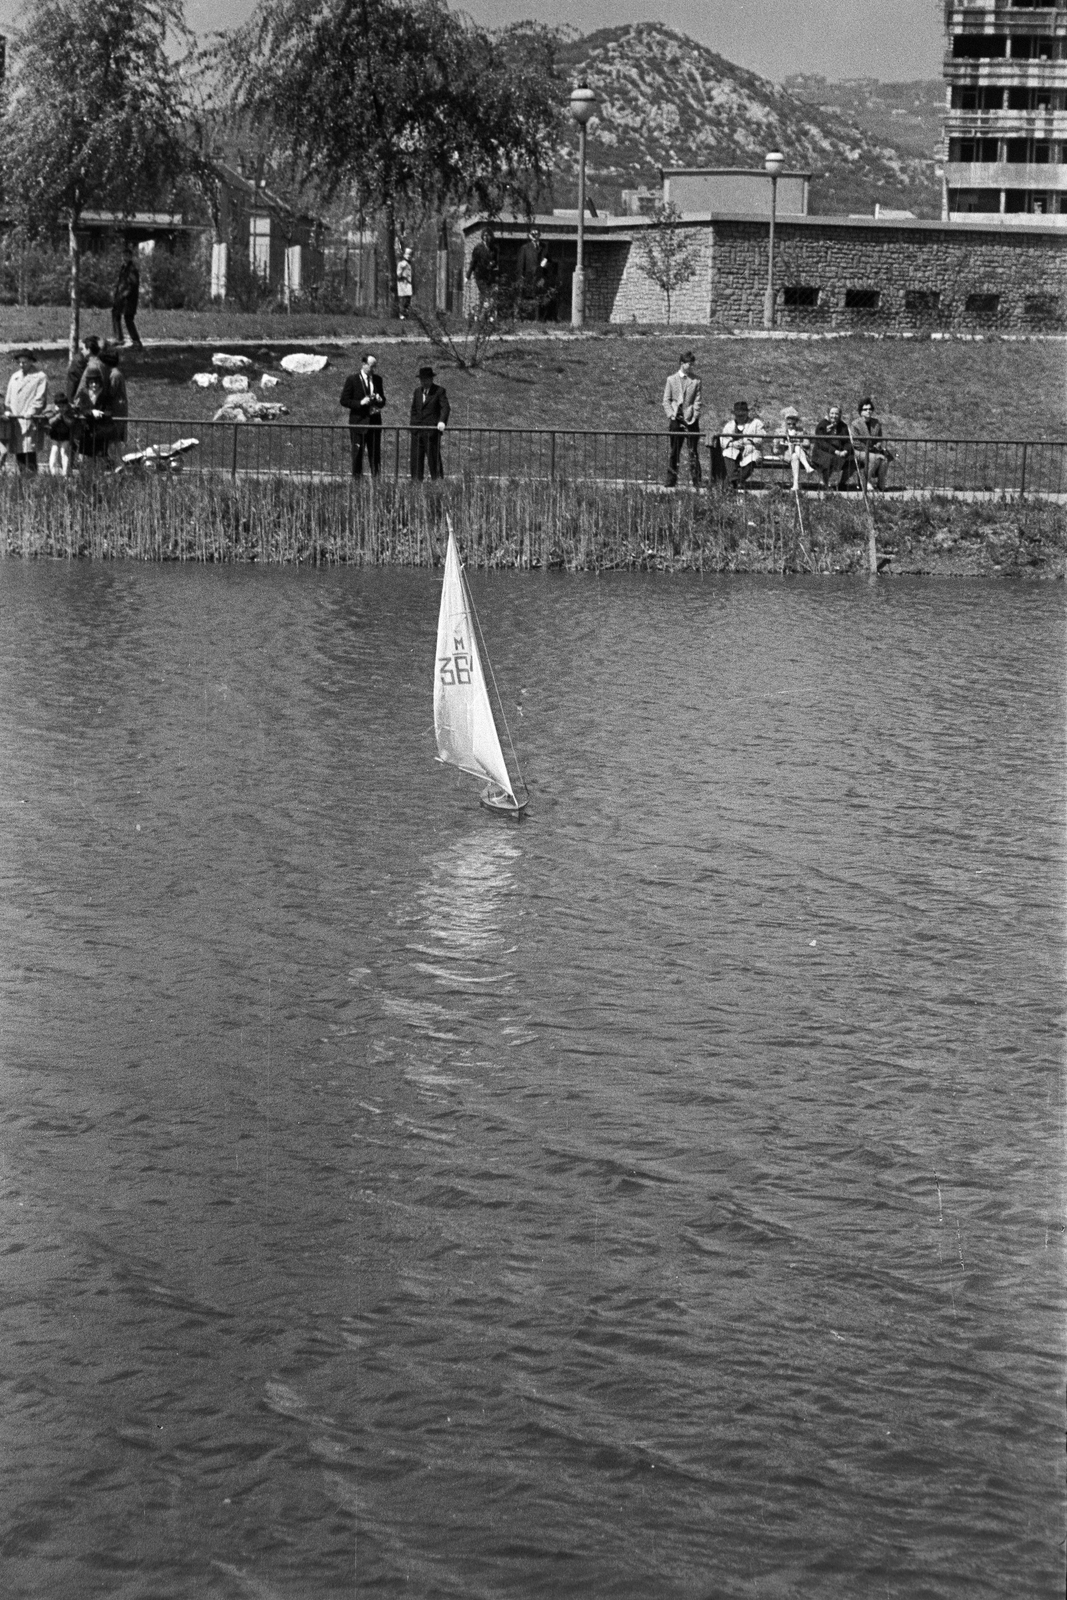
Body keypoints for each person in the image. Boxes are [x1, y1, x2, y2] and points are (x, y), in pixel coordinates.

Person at [339, 353, 386, 477]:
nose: (373, 369)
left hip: (374, 423)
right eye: (371, 366)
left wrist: (380, 400)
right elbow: (344, 400)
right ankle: (357, 482)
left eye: (375, 367)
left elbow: (383, 401)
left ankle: (377, 481)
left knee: (375, 455)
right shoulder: (352, 380)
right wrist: (360, 402)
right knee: (357, 455)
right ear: (364, 364)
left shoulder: (377, 380)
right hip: (358, 423)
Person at [4, 350, 48, 473]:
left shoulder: (40, 377)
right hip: (15, 420)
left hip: (29, 420)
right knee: (19, 451)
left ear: (31, 361)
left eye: (25, 362)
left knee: (29, 451)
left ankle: (32, 480)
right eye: (20, 362)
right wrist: (7, 410)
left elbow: (39, 399)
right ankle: (22, 480)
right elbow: (8, 398)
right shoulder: (15, 377)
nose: (22, 365)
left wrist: (30, 412)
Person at [662, 351, 702, 488]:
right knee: (674, 451)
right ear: (682, 364)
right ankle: (671, 479)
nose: (691, 367)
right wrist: (671, 415)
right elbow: (666, 401)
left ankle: (697, 480)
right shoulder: (671, 380)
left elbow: (697, 400)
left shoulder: (696, 380)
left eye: (692, 365)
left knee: (693, 451)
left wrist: (694, 415)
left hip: (691, 419)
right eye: (689, 364)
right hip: (676, 419)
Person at [409, 364, 450, 479]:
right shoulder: (417, 392)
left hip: (431, 432)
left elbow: (445, 407)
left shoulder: (439, 391)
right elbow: (414, 409)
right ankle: (416, 484)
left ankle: (437, 483)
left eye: (426, 379)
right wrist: (413, 425)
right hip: (417, 432)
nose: (424, 382)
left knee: (434, 460)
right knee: (416, 461)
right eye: (422, 380)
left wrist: (441, 421)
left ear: (431, 379)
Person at [719, 400, 765, 488]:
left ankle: (736, 481)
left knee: (753, 459)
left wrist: (748, 441)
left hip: (750, 450)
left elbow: (761, 437)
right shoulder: (730, 425)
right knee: (727, 453)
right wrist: (731, 443)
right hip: (734, 449)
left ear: (747, 413)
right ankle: (735, 480)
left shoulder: (756, 423)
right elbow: (722, 438)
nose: (740, 417)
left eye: (742, 415)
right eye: (738, 415)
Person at [850, 396, 892, 492]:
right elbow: (856, 442)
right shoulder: (855, 424)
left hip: (874, 450)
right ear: (861, 411)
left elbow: (879, 438)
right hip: (859, 451)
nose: (868, 411)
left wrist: (878, 444)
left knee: (884, 460)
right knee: (874, 458)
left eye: (870, 409)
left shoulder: (876, 423)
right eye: (865, 409)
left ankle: (881, 483)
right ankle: (865, 482)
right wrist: (869, 448)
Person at [75, 372, 116, 464]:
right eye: (91, 382)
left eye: (96, 383)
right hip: (87, 429)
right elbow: (82, 409)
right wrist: (91, 412)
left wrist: (101, 414)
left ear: (100, 383)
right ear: (88, 383)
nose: (94, 385)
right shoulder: (84, 394)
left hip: (101, 429)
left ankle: (104, 470)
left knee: (101, 454)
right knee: (85, 454)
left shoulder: (105, 395)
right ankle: (86, 472)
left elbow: (109, 411)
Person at [811, 404, 855, 489]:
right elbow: (821, 443)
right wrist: (835, 451)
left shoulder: (843, 426)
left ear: (840, 415)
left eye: (836, 414)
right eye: (832, 413)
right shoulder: (822, 424)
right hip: (822, 452)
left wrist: (845, 450)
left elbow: (848, 442)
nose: (834, 416)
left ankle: (842, 483)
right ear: (828, 414)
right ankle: (825, 483)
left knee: (852, 461)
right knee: (830, 458)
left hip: (840, 452)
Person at [112, 245, 143, 348]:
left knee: (128, 319)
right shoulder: (123, 268)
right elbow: (122, 282)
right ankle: (119, 338)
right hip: (121, 297)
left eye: (127, 255)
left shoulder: (132, 269)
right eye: (123, 255)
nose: (124, 257)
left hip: (129, 300)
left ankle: (136, 341)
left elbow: (133, 284)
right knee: (115, 314)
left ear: (130, 257)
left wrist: (125, 294)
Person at [780, 406, 814, 491]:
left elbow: (807, 443)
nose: (791, 426)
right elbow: (778, 444)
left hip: (800, 454)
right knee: (796, 449)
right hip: (787, 453)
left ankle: (796, 484)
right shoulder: (782, 431)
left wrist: (798, 442)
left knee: (796, 454)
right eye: (789, 424)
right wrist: (786, 443)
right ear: (785, 423)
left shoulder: (801, 431)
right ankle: (807, 467)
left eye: (793, 424)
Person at [46, 391, 80, 476]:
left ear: (66, 405)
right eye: (59, 406)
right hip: (55, 434)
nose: (61, 408)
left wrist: (64, 415)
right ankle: (53, 472)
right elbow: (50, 422)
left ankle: (66, 473)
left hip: (66, 435)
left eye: (63, 406)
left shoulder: (71, 410)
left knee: (64, 451)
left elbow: (71, 423)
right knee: (54, 450)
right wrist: (57, 416)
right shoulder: (53, 410)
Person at [467, 227, 498, 310]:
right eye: (485, 235)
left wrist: (493, 264)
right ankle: (482, 313)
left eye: (488, 236)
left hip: (489, 276)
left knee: (487, 296)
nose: (486, 238)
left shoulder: (494, 249)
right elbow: (473, 262)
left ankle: (482, 314)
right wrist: (468, 276)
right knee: (485, 294)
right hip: (480, 274)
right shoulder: (478, 248)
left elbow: (496, 262)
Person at [396, 247, 414, 320]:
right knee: (404, 299)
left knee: (408, 299)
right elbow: (398, 274)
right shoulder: (401, 264)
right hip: (403, 283)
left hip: (409, 284)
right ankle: (402, 314)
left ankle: (405, 314)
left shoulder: (410, 264)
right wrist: (402, 276)